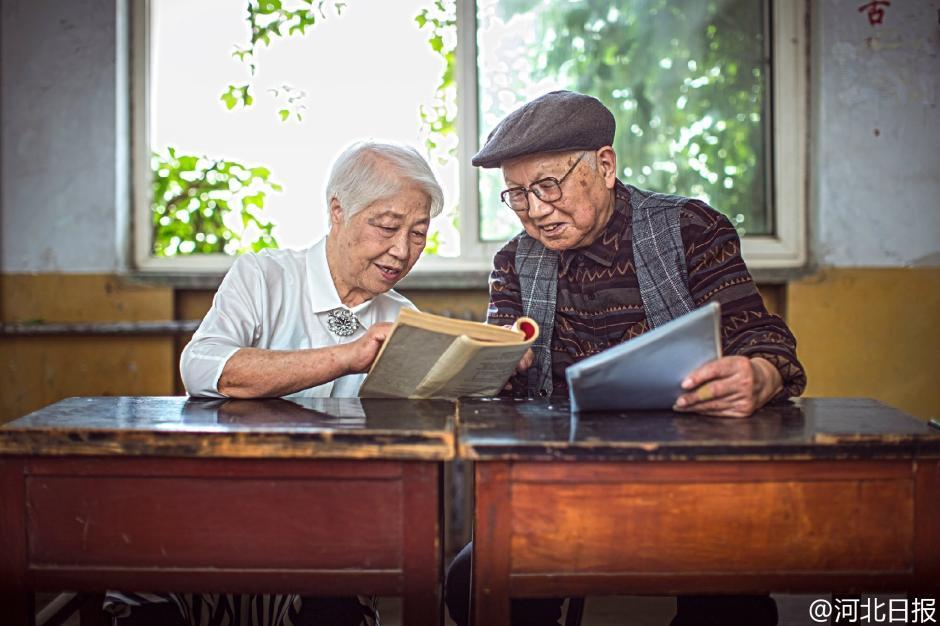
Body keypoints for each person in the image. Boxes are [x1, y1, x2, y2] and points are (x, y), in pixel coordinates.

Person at [444, 91, 806, 626]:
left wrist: (760, 373)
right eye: (517, 196)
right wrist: (494, 364)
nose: (537, 211)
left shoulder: (691, 231)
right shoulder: (515, 261)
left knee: (733, 601)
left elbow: (763, 339)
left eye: (548, 186)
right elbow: (499, 371)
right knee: (472, 584)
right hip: (564, 485)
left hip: (691, 481)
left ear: (606, 166)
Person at [109, 141, 444, 626]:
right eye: (388, 227)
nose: (402, 250)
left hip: (332, 519)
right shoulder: (263, 277)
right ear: (337, 211)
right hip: (224, 500)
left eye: (418, 233)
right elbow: (202, 367)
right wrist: (347, 357)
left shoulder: (403, 317)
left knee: (335, 602)